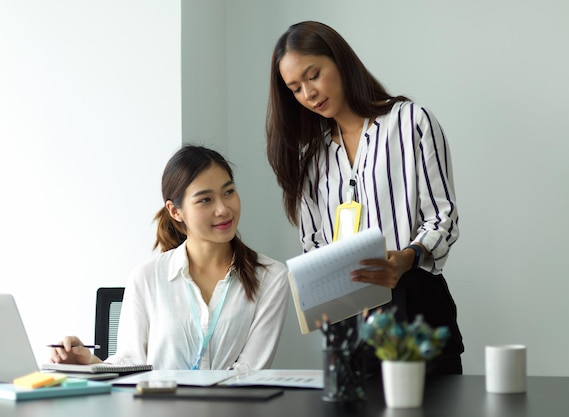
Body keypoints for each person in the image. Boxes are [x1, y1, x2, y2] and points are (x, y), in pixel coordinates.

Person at [266, 21, 464, 376]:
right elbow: (313, 244)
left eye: (314, 75)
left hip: (414, 302)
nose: (308, 94)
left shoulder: (411, 123)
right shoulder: (312, 158)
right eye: (295, 88)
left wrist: (406, 258)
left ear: (340, 62)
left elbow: (443, 218)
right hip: (345, 317)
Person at [51, 145, 290, 370]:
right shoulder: (146, 277)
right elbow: (131, 361)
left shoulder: (271, 277)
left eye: (228, 192)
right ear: (175, 211)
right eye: (205, 199)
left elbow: (251, 372)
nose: (223, 209)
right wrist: (90, 362)